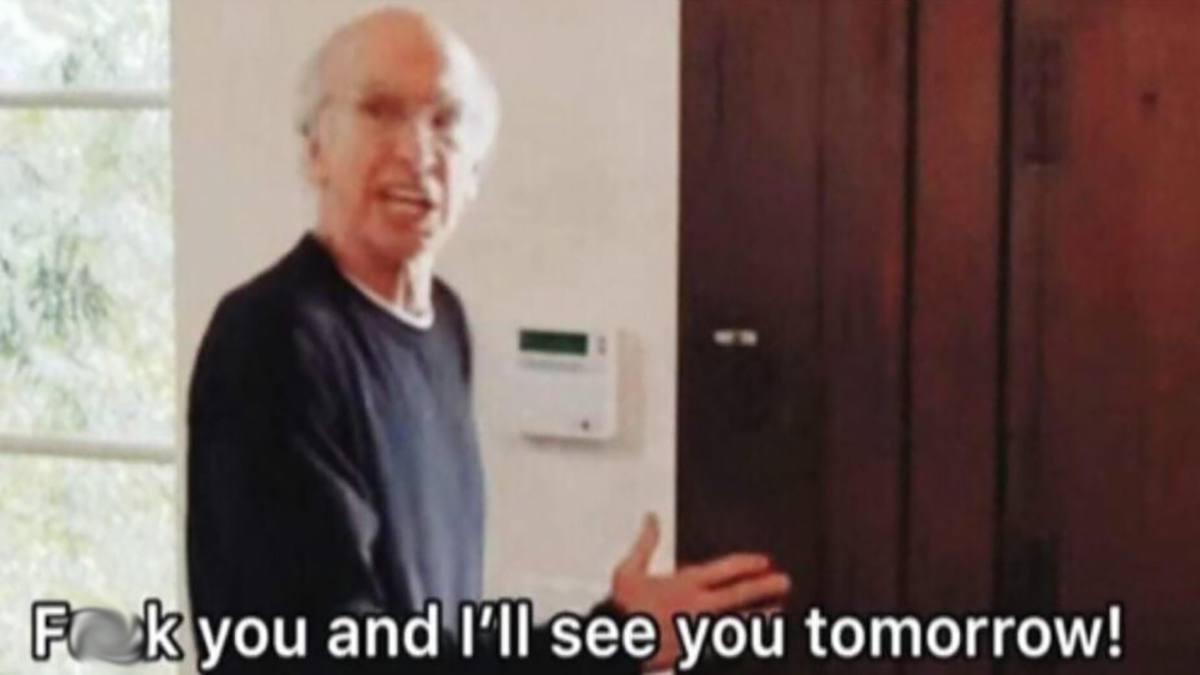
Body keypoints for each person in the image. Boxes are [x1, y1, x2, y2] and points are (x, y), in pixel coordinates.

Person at [186, 7, 790, 673]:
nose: (416, 152)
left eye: (445, 121)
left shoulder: (443, 324)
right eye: (380, 110)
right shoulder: (271, 341)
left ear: (474, 170)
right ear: (315, 149)